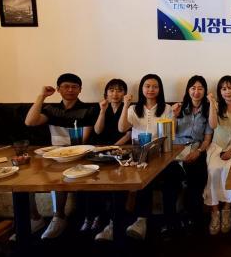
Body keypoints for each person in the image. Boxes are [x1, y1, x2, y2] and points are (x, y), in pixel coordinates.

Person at [24, 73, 97, 239]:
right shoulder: (51, 110)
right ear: (58, 89)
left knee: (58, 174)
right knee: (26, 178)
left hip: (77, 154)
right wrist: (42, 96)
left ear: (80, 89)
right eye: (66, 86)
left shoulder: (88, 110)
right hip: (53, 155)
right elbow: (30, 122)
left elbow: (84, 141)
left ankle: (59, 217)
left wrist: (68, 154)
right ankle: (34, 218)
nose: (70, 90)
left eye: (74, 87)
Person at [118, 73, 173, 239]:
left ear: (160, 89)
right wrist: (125, 105)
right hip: (138, 156)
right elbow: (122, 128)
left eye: (155, 86)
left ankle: (168, 221)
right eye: (147, 86)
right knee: (143, 178)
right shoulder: (133, 109)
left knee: (173, 178)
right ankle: (141, 220)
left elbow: (171, 135)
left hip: (160, 155)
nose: (151, 89)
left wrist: (175, 117)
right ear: (142, 89)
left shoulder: (167, 109)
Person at [166, 75, 213, 233]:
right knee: (170, 180)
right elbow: (170, 134)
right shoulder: (178, 108)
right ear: (188, 90)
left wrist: (198, 152)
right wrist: (174, 115)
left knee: (197, 177)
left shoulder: (208, 110)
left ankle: (193, 218)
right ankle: (171, 221)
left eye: (200, 88)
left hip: (195, 147)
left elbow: (207, 139)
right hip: (176, 148)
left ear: (205, 91)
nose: (196, 92)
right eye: (193, 88)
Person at [89, 79, 131, 241]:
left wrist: (112, 148)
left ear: (125, 93)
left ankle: (113, 222)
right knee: (94, 180)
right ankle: (96, 217)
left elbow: (128, 134)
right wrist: (102, 111)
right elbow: (98, 131)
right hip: (101, 153)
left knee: (116, 184)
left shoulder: (128, 108)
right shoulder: (100, 108)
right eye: (111, 90)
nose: (115, 94)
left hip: (119, 152)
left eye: (119, 90)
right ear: (106, 93)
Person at [203, 75, 231, 235]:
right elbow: (213, 125)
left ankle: (227, 209)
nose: (228, 92)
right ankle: (215, 211)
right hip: (216, 147)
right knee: (213, 170)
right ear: (220, 91)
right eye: (224, 89)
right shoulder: (216, 106)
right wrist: (212, 104)